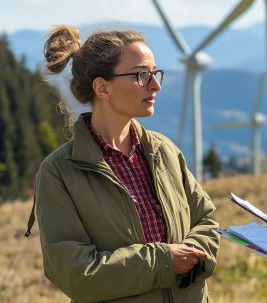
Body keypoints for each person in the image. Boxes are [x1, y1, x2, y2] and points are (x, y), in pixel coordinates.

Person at [25, 26, 220, 303]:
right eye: (142, 75)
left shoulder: (164, 151)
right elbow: (75, 273)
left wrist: (193, 253)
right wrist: (165, 262)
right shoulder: (59, 173)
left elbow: (206, 220)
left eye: (155, 72)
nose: (156, 84)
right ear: (102, 87)